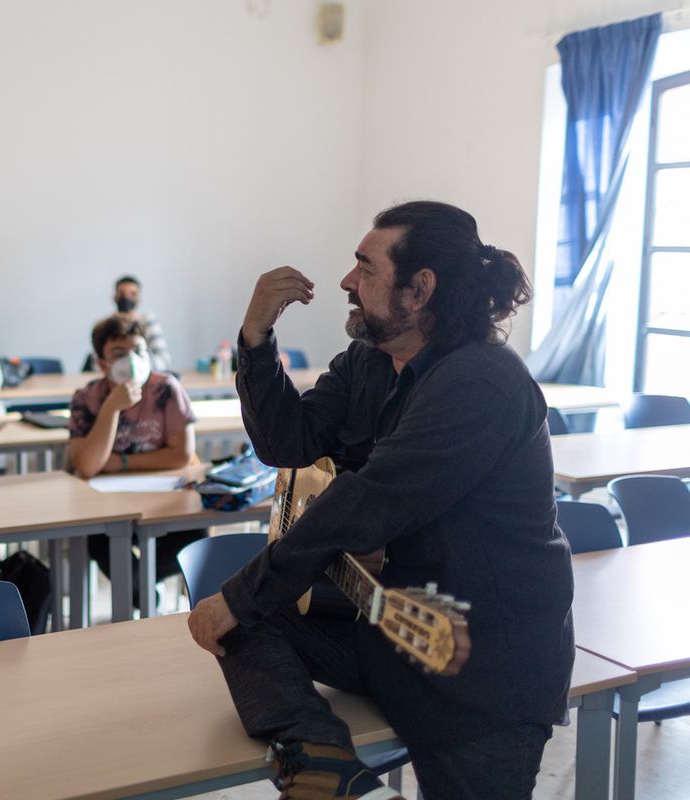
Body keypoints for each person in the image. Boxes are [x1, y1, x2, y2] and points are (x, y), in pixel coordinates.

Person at [187, 201, 574, 800]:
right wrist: (255, 339)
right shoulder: (371, 361)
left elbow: (364, 504)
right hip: (394, 631)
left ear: (420, 289)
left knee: (240, 603)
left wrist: (236, 596)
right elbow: (288, 442)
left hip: (484, 666)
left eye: (365, 267)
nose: (347, 281)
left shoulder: (480, 382)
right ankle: (325, 765)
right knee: (247, 621)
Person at [69, 313, 201, 606]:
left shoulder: (167, 389)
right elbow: (88, 465)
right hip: (107, 506)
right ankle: (144, 595)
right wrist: (112, 408)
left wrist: (121, 463)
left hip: (163, 500)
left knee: (196, 532)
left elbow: (181, 455)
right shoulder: (86, 398)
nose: (131, 360)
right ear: (102, 364)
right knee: (98, 538)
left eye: (138, 351)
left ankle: (141, 588)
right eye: (119, 354)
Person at [113, 275, 172, 372]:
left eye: (133, 294)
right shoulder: (107, 326)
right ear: (115, 296)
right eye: (122, 294)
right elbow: (96, 363)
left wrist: (137, 367)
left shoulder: (147, 321)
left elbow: (164, 360)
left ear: (139, 298)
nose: (127, 298)